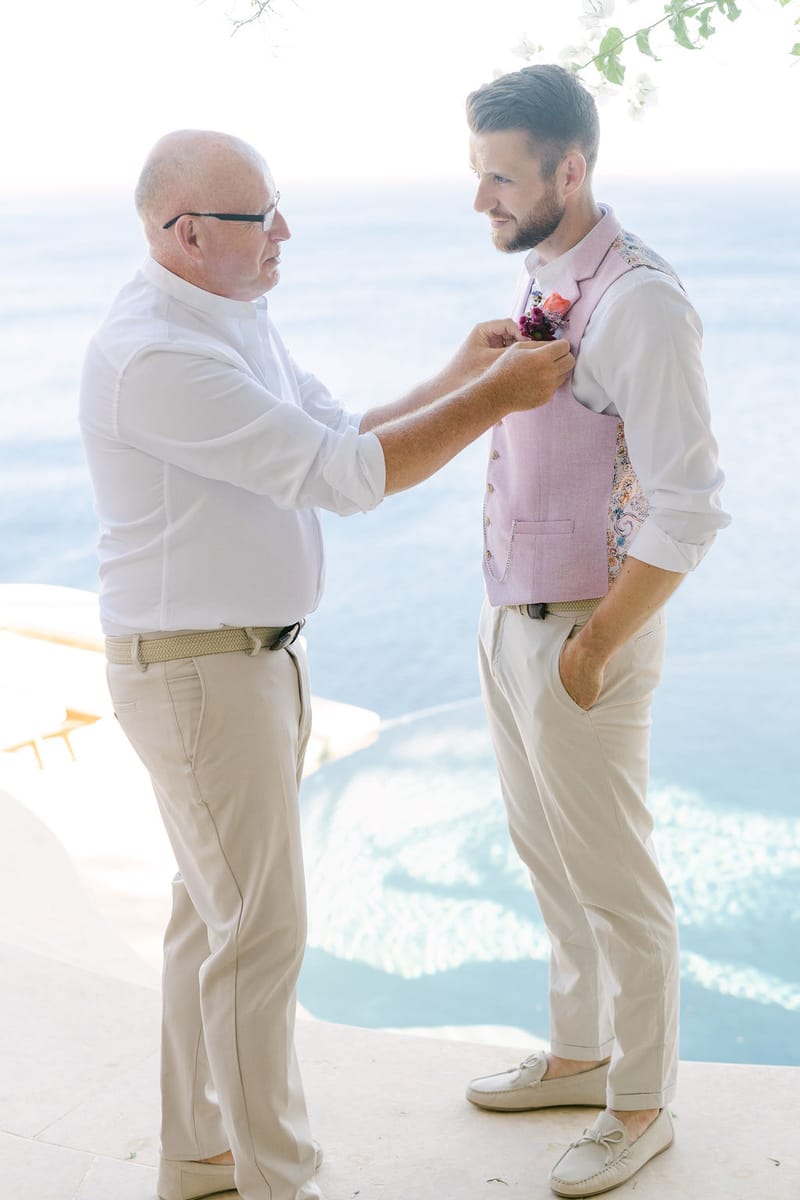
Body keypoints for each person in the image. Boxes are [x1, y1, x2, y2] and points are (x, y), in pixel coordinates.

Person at [78, 128, 573, 1200]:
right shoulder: (159, 353)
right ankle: (280, 1181)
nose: (286, 233)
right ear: (189, 231)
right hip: (202, 673)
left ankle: (200, 1156)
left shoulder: (228, 314)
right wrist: (499, 399)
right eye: (263, 217)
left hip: (238, 664)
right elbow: (346, 478)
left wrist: (460, 370)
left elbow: (336, 431)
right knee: (258, 936)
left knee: (209, 919)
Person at [462, 66, 730, 1197]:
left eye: (500, 178)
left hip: (584, 631)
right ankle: (580, 1055)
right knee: (547, 858)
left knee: (615, 880)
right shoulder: (547, 275)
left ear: (570, 172)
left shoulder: (639, 301)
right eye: (475, 175)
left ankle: (639, 1106)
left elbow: (691, 500)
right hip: (511, 617)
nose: (480, 200)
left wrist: (593, 643)